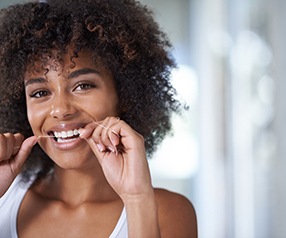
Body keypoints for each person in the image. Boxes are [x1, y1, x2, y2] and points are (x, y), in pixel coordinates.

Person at [0, 0, 197, 237]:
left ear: (124, 94)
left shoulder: (167, 211)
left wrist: (137, 199)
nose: (61, 110)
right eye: (40, 93)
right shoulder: (5, 198)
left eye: (83, 86)